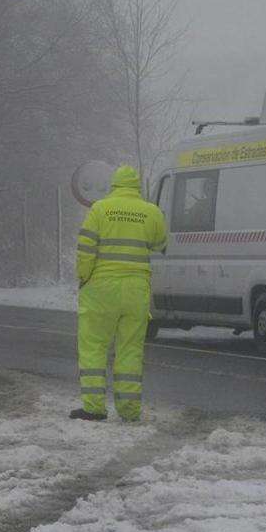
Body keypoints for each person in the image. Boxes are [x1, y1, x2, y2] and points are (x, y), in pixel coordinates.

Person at [73, 164, 167, 422]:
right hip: (136, 289)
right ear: (137, 188)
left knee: (94, 346)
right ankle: (129, 410)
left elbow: (85, 249)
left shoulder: (100, 209)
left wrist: (83, 277)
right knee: (130, 350)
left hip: (101, 288)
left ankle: (93, 408)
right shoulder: (152, 212)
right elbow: (161, 244)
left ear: (114, 186)